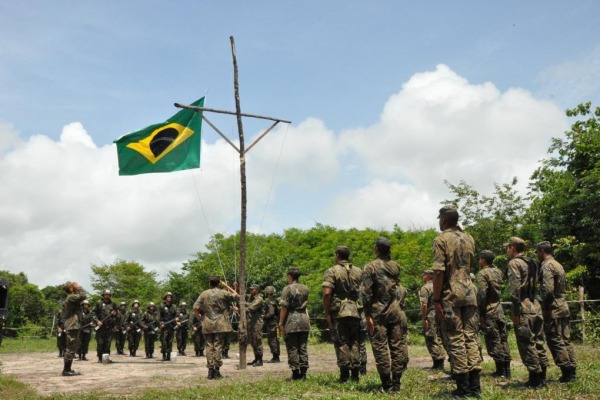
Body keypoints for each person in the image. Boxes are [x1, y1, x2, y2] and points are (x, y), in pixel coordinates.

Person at [432, 205, 480, 398]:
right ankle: (475, 387)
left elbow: (438, 271)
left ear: (443, 220)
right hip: (470, 292)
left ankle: (463, 388)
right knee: (471, 337)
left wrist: (436, 299)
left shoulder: (441, 239)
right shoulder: (469, 238)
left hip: (451, 294)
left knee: (456, 338)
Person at [361, 237, 409, 393]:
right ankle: (397, 383)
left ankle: (387, 385)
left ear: (376, 248)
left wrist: (367, 314)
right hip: (396, 311)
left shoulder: (370, 267)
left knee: (380, 348)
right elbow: (399, 289)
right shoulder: (395, 267)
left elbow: (366, 293)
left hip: (378, 313)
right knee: (398, 347)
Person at [506, 236, 548, 388]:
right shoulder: (534, 262)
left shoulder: (514, 263)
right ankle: (543, 376)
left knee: (526, 343)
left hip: (523, 305)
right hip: (535, 304)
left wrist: (516, 312)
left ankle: (535, 379)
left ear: (513, 248)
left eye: (508, 247)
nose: (507, 251)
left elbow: (515, 289)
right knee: (539, 341)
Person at [536, 241, 577, 383]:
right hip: (562, 304)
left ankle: (566, 371)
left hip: (553, 307)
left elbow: (547, 290)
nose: (537, 255)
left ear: (542, 251)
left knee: (555, 339)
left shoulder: (547, 266)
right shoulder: (558, 264)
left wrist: (545, 309)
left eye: (537, 252)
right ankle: (571, 369)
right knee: (566, 339)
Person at [323, 245, 363, 383]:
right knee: (355, 342)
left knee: (342, 342)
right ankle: (356, 375)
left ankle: (345, 376)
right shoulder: (358, 271)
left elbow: (327, 293)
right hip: (356, 310)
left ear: (337, 256)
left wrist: (327, 312)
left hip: (340, 312)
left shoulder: (332, 270)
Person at [193, 276, 239, 379]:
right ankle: (217, 370)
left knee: (209, 346)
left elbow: (195, 308)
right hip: (221, 323)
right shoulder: (223, 293)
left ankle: (210, 371)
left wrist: (200, 319)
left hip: (208, 323)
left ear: (209, 283)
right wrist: (227, 286)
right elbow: (237, 296)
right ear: (218, 283)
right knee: (218, 346)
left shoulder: (204, 294)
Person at [477, 250, 511, 378]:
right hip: (499, 308)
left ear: (483, 260)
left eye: (480, 259)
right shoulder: (498, 271)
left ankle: (500, 371)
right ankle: (507, 370)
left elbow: (482, 294)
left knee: (493, 339)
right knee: (503, 339)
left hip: (489, 310)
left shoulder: (483, 273)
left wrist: (481, 313)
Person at [279, 267, 310, 381]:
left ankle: (295, 374)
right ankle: (304, 374)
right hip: (304, 319)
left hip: (292, 320)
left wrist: (281, 323)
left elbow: (284, 307)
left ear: (290, 277)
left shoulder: (287, 289)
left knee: (292, 347)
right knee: (302, 347)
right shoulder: (305, 288)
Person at [419, 269, 446, 371]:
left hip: (430, 314)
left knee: (431, 337)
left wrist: (424, 318)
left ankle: (438, 362)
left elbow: (424, 305)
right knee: (439, 337)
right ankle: (441, 360)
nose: (422, 277)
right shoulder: (439, 286)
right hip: (440, 314)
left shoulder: (425, 288)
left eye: (424, 275)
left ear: (428, 276)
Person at [60, 281, 86, 376]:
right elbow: (83, 296)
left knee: (73, 347)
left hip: (74, 325)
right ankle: (66, 370)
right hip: (72, 326)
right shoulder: (71, 297)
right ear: (71, 288)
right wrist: (78, 287)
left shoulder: (70, 298)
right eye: (73, 286)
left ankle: (68, 369)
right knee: (71, 348)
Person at [92, 289, 117, 363]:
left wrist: (115, 313)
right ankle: (100, 358)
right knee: (100, 342)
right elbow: (93, 313)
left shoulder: (113, 304)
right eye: (106, 294)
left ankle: (106, 358)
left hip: (109, 326)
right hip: (100, 326)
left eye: (108, 294)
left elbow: (117, 314)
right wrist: (97, 321)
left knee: (108, 343)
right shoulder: (98, 303)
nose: (107, 296)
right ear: (103, 295)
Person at [246, 284, 265, 367]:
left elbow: (251, 308)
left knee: (257, 340)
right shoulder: (251, 298)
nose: (250, 291)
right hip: (251, 322)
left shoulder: (259, 299)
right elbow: (240, 296)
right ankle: (256, 358)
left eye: (252, 289)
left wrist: (240, 308)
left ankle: (260, 360)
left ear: (257, 290)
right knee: (252, 341)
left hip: (257, 323)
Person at [263, 285, 281, 363]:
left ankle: (275, 357)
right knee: (276, 340)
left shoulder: (269, 302)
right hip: (276, 323)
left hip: (272, 324)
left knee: (272, 340)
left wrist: (264, 316)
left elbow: (271, 313)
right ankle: (276, 356)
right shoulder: (275, 301)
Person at [159, 292, 177, 361]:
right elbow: (158, 317)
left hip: (171, 327)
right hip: (164, 327)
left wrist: (177, 321)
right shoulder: (162, 306)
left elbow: (176, 316)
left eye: (170, 297)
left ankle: (169, 355)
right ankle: (164, 354)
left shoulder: (174, 306)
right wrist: (160, 323)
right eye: (167, 297)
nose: (169, 298)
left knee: (170, 341)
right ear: (165, 298)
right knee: (164, 341)